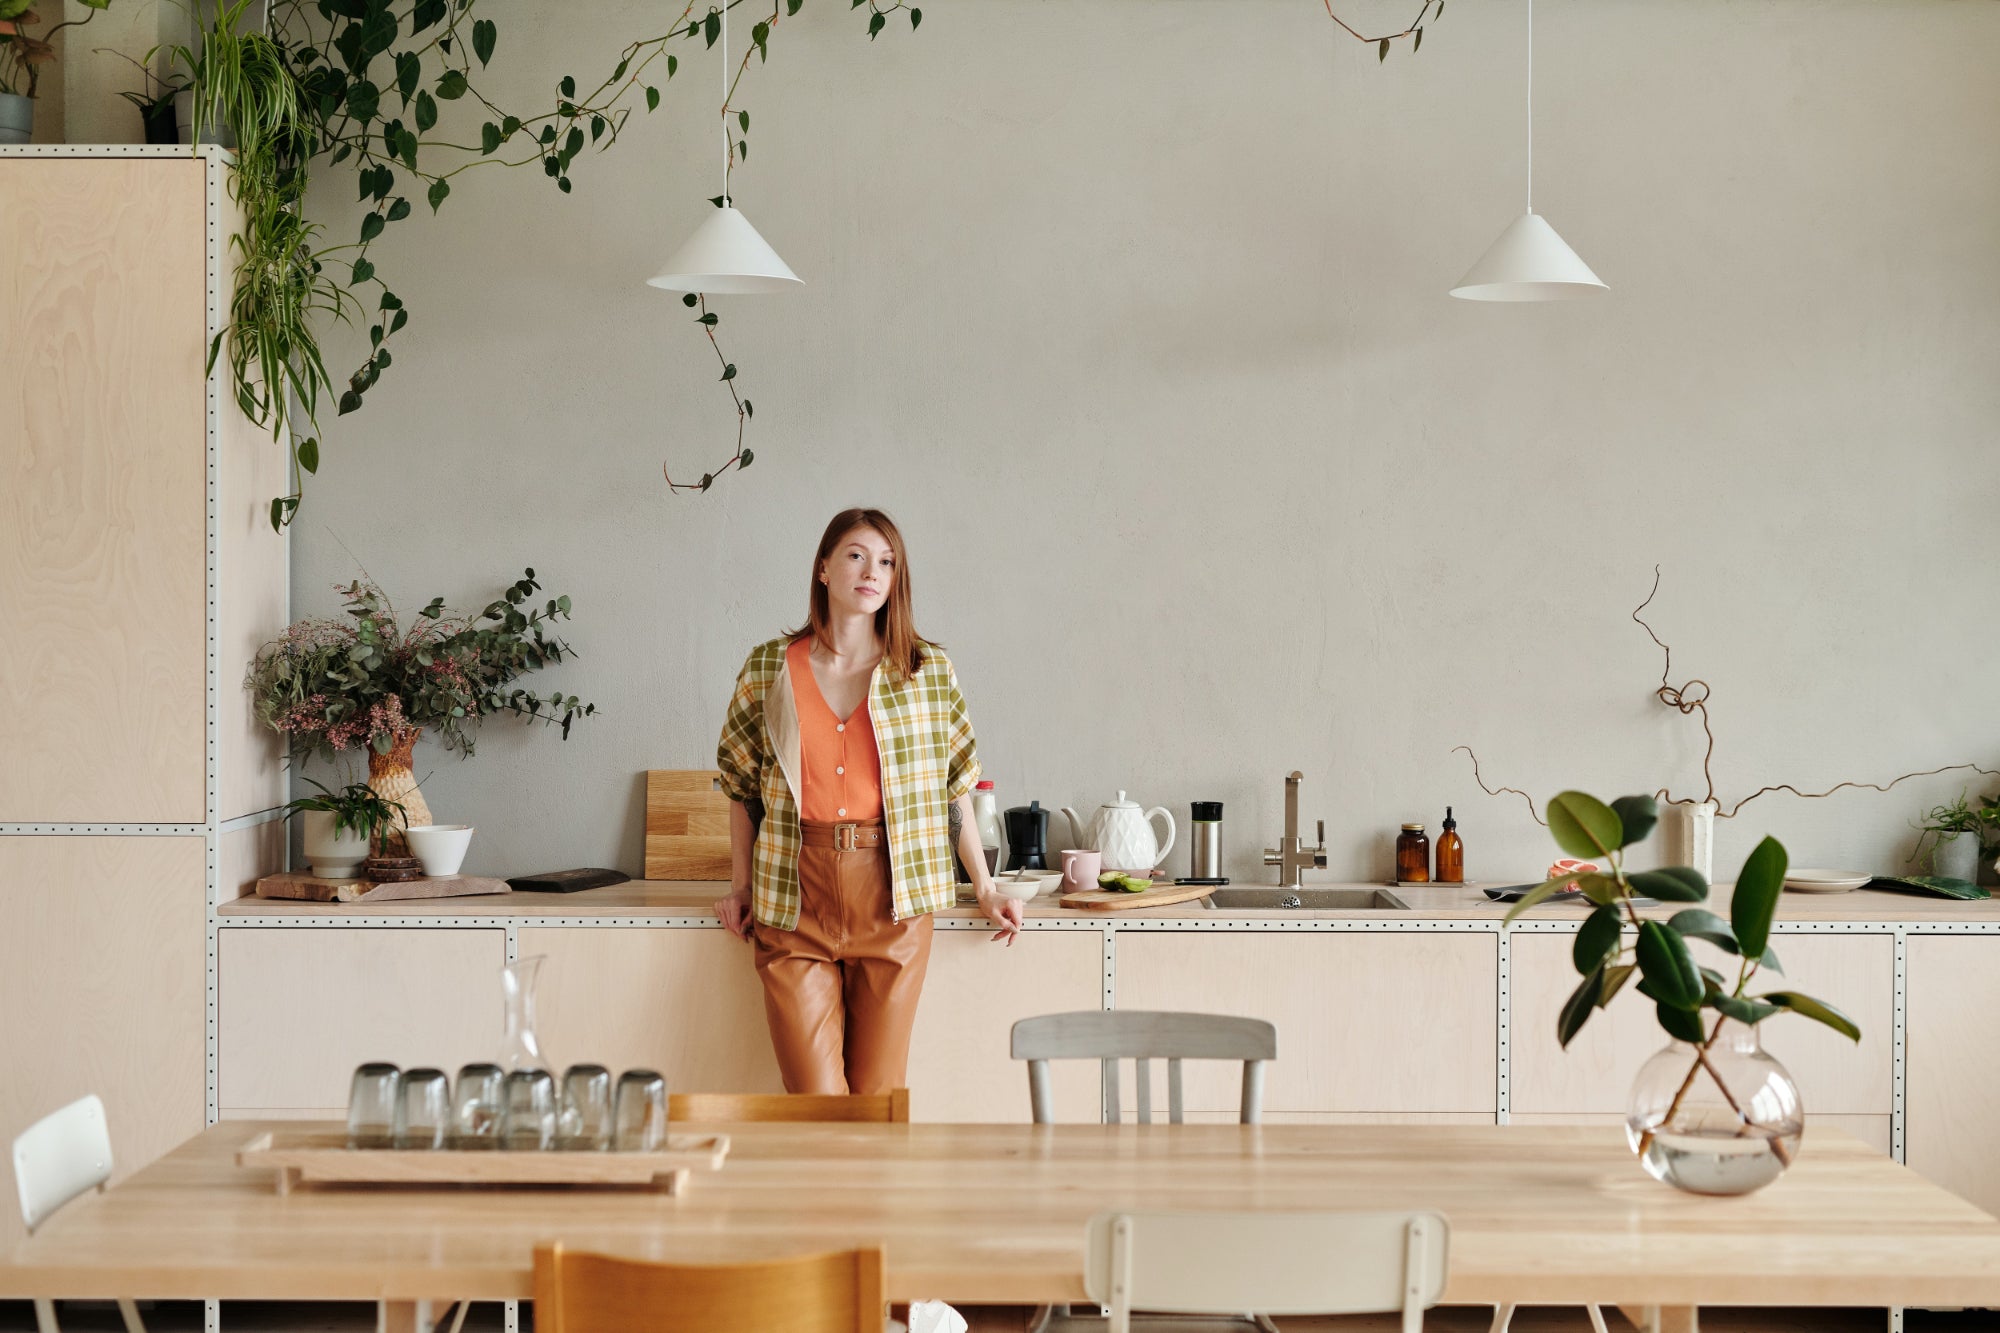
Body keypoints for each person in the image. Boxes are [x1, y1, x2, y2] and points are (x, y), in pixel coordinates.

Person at [713, 507, 1022, 1095]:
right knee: (816, 1103)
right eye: (855, 555)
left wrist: (983, 887)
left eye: (886, 561)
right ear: (823, 569)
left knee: (879, 1097)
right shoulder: (768, 667)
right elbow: (740, 786)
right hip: (793, 898)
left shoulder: (926, 670)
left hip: (893, 899)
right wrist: (739, 886)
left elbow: (952, 787)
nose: (871, 571)